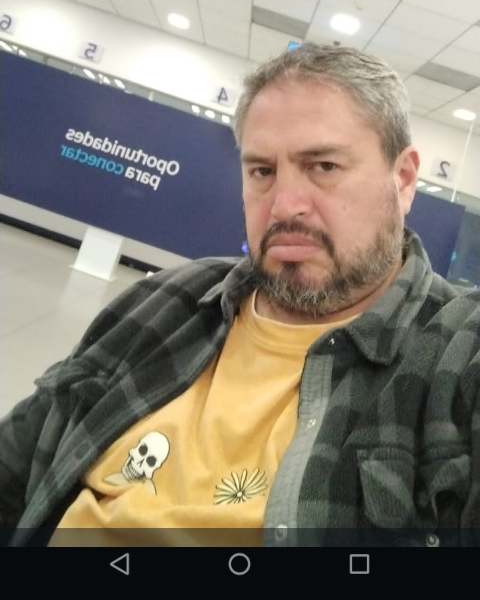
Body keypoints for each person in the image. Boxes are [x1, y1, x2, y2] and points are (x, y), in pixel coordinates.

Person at [1, 43, 479, 548]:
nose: (285, 206)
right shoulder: (163, 301)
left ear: (402, 180)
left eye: (323, 166)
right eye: (262, 172)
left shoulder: (455, 357)